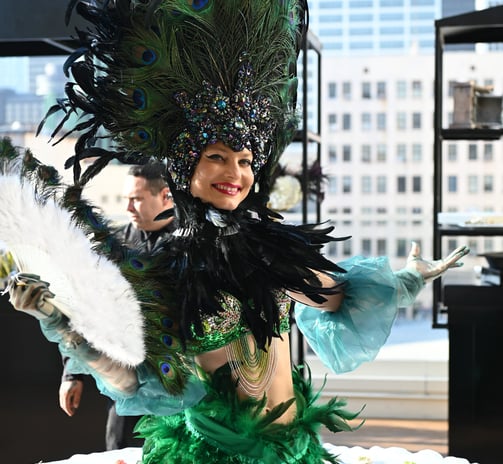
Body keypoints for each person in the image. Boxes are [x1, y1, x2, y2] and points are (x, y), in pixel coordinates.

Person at [2, 1, 470, 463]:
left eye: (245, 160)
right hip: (213, 454)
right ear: (186, 169)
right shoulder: (165, 269)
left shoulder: (273, 248)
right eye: (218, 158)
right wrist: (59, 322)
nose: (236, 173)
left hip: (294, 450)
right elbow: (132, 378)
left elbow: (340, 296)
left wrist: (410, 278)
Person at [59, 162, 175, 450]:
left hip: (180, 391)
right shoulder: (113, 245)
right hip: (125, 389)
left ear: (165, 196)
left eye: (137, 199)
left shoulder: (190, 245)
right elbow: (86, 310)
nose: (129, 208)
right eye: (126, 199)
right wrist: (71, 373)